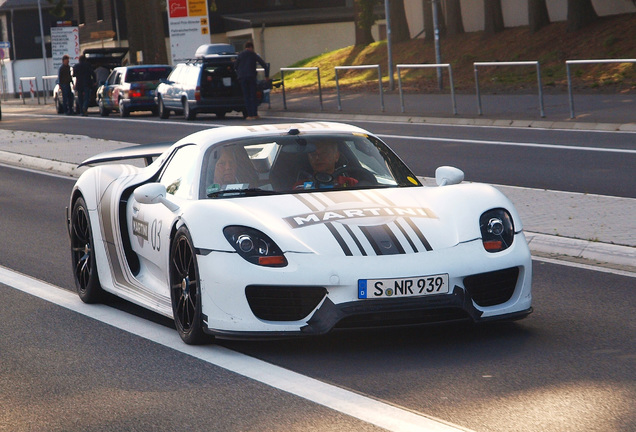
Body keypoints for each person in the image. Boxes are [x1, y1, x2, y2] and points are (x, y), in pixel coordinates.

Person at [294, 141, 358, 189]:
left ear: (336, 156)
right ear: (308, 158)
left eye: (324, 153)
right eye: (313, 154)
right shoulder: (300, 187)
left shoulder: (350, 183)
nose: (317, 158)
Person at [235, 41, 269, 120]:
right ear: (251, 47)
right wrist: (266, 76)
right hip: (251, 77)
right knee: (253, 96)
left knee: (246, 96)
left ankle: (249, 115)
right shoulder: (253, 55)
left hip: (242, 78)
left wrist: (240, 72)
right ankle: (255, 114)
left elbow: (235, 66)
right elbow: (264, 65)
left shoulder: (240, 55)